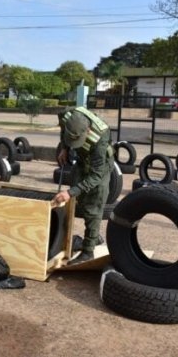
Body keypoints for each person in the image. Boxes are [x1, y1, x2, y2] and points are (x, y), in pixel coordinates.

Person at [52, 106, 114, 264]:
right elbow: (62, 129)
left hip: (99, 169)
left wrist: (71, 192)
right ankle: (67, 240)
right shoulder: (66, 116)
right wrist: (65, 149)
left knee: (93, 207)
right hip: (81, 162)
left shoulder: (101, 136)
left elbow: (96, 175)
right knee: (73, 203)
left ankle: (88, 251)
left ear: (88, 130)